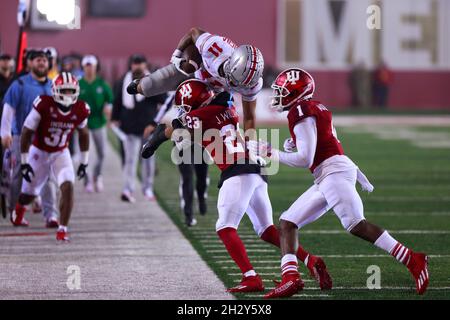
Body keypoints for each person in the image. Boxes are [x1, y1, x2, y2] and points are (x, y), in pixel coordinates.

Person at [249, 68, 429, 298]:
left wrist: (269, 152)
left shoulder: (300, 109)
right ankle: (290, 278)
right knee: (287, 223)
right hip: (328, 173)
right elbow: (321, 140)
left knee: (356, 225)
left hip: (333, 173)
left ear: (297, 93)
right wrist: (295, 142)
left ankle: (413, 259)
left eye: (282, 91)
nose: (278, 95)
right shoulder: (313, 106)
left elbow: (305, 159)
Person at [143, 79, 332, 293]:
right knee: (267, 230)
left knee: (225, 227)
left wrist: (154, 141)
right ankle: (310, 260)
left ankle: (251, 277)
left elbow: (171, 129)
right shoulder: (228, 108)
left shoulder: (200, 115)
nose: (185, 111)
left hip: (237, 170)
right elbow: (200, 129)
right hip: (256, 169)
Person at [130, 27, 265, 153]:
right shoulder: (215, 47)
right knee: (146, 87)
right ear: (232, 63)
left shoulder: (251, 84)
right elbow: (193, 32)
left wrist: (250, 149)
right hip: (191, 71)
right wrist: (178, 54)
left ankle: (162, 134)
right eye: (235, 80)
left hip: (213, 92)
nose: (236, 85)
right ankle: (140, 82)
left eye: (241, 84)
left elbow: (249, 118)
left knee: (195, 131)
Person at [13, 72, 90, 241]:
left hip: (61, 152)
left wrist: (84, 162)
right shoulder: (44, 104)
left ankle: (62, 230)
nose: (68, 94)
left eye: (71, 91)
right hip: (39, 151)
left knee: (68, 186)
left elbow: (83, 134)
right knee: (29, 194)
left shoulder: (81, 108)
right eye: (65, 90)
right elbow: (27, 131)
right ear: (55, 90)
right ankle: (19, 208)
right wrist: (24, 162)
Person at [1, 49, 59, 227]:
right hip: (22, 137)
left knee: (49, 174)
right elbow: (8, 109)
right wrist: (5, 132)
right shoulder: (19, 84)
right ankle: (14, 211)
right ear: (29, 64)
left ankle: (51, 215)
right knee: (19, 173)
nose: (41, 63)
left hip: (46, 138)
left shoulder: (53, 86)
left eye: (44, 60)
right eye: (37, 60)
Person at [112, 54, 167, 202]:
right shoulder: (123, 80)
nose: (137, 66)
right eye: (135, 64)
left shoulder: (153, 81)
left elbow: (163, 101)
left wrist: (155, 123)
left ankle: (147, 188)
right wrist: (114, 118)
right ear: (131, 65)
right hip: (129, 127)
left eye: (140, 63)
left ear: (145, 65)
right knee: (130, 160)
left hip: (148, 128)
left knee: (148, 161)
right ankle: (128, 189)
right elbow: (117, 101)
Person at [79, 55, 113, 193]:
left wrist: (108, 110)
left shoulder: (101, 84)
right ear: (83, 67)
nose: (89, 68)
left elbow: (110, 99)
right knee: (85, 153)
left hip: (99, 122)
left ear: (95, 67)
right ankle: (87, 180)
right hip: (83, 124)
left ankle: (97, 175)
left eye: (91, 65)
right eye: (87, 65)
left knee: (102, 153)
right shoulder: (79, 84)